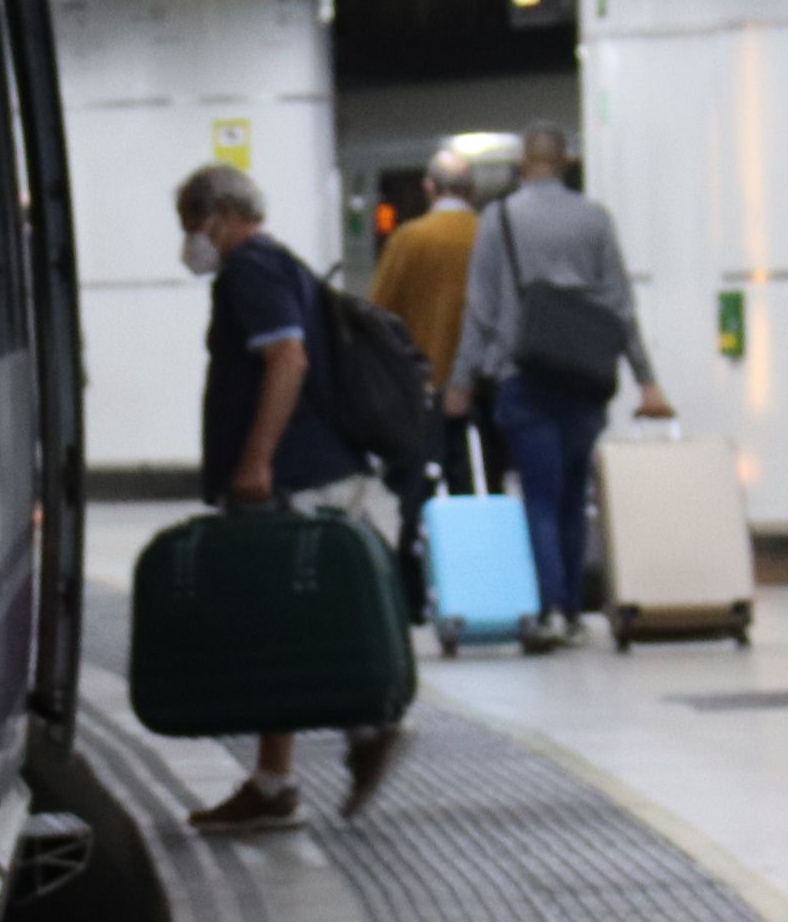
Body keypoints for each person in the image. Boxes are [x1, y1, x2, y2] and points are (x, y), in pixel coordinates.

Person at [176, 162, 406, 832]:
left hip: (293, 476)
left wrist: (255, 462)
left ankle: (364, 729)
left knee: (286, 620)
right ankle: (279, 778)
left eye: (192, 226)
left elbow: (288, 360)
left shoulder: (252, 269)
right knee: (283, 621)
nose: (191, 241)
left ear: (219, 216)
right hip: (309, 468)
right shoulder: (280, 265)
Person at [448, 122, 671, 645]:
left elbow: (479, 311)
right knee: (573, 498)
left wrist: (460, 381)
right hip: (585, 379)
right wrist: (647, 380)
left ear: (522, 166)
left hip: (523, 376)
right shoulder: (594, 219)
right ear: (567, 162)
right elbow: (620, 307)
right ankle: (572, 610)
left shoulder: (498, 218)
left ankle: (547, 607)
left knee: (539, 497)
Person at [371, 146, 499, 497]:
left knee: (423, 490)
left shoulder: (408, 240)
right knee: (482, 482)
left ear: (429, 187)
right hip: (485, 385)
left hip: (423, 386)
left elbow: (378, 313)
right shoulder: (490, 235)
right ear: (472, 190)